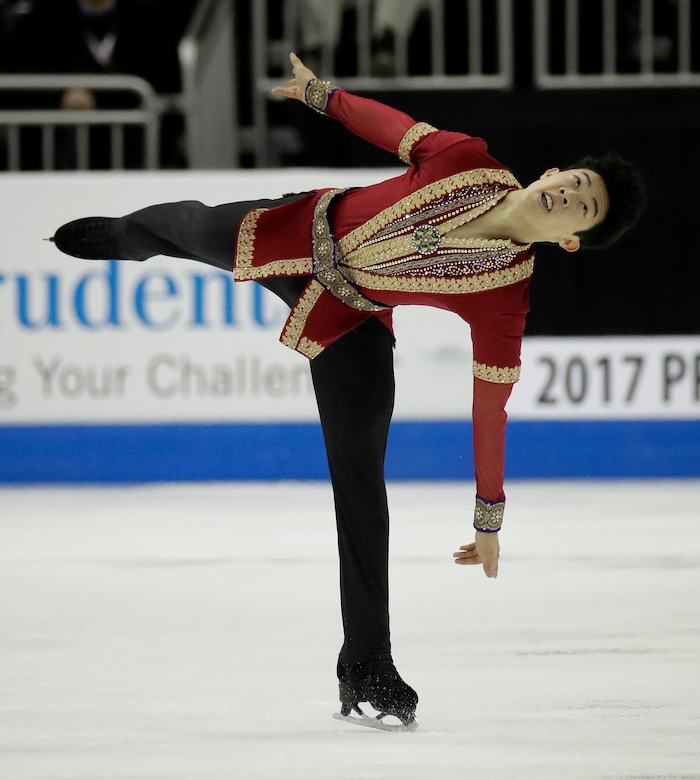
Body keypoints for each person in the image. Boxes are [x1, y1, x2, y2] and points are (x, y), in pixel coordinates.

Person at [50, 53, 646, 729]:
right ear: (551, 174)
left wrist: (489, 519)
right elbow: (392, 127)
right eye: (575, 182)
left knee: (361, 479)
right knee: (186, 226)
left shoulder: (506, 296)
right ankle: (130, 237)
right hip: (299, 228)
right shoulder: (468, 160)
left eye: (585, 207)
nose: (570, 195)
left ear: (570, 239)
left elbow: (490, 410)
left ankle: (367, 667)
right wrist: (320, 95)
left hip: (352, 316)